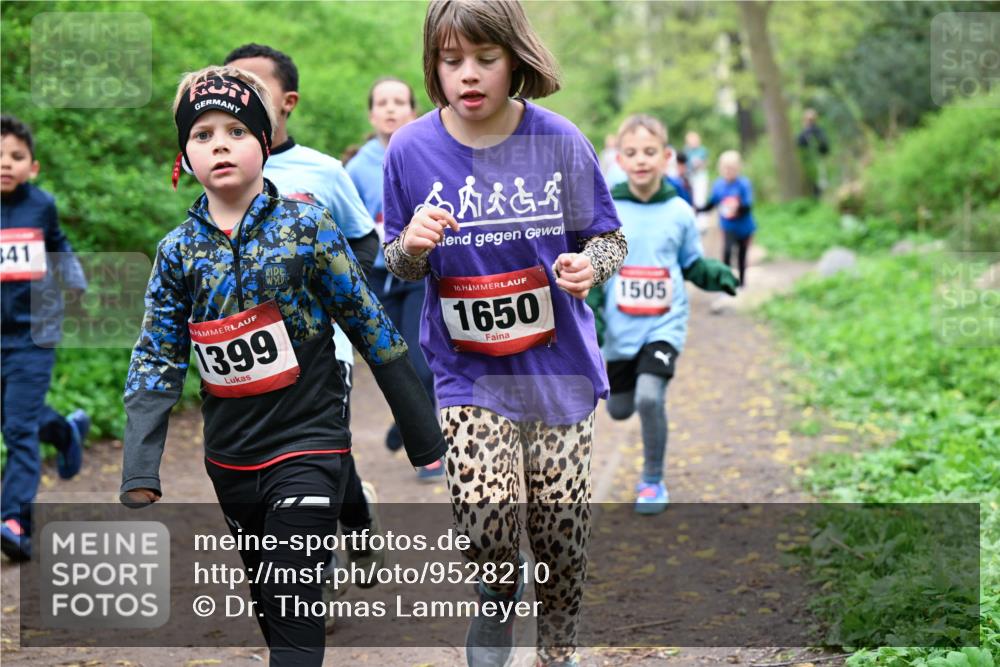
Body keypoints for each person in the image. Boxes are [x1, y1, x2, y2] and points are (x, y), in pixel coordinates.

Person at [119, 65, 445, 666]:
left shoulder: (307, 226)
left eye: (236, 130)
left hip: (310, 441)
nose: (218, 143)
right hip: (232, 455)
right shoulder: (177, 252)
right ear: (185, 155)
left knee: (295, 593)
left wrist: (425, 437)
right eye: (202, 134)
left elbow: (371, 324)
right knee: (274, 599)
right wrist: (141, 464)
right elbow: (157, 354)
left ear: (264, 144)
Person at [381, 2, 627, 665]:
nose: (469, 74)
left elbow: (610, 238)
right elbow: (395, 262)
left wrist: (588, 267)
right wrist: (411, 243)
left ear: (515, 58)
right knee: (484, 520)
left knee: (560, 535)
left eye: (486, 59)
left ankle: (557, 646)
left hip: (558, 369)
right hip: (468, 370)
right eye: (451, 59)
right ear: (433, 65)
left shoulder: (559, 140)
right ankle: (497, 593)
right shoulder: (409, 149)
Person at [222, 42, 389, 625]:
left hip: (323, 353)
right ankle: (357, 508)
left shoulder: (323, 172)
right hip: (251, 359)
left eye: (254, 91)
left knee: (312, 456)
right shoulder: (216, 170)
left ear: (287, 103)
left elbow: (365, 244)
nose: (238, 103)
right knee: (296, 462)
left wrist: (333, 298)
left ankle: (305, 595)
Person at [589, 115, 737, 514]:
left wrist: (715, 274)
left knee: (650, 397)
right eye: (632, 153)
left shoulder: (680, 211)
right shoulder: (606, 209)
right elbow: (595, 268)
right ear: (618, 158)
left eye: (650, 152)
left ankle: (652, 480)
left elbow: (691, 263)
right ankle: (632, 387)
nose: (641, 161)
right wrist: (594, 311)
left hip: (663, 323)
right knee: (620, 408)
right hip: (619, 331)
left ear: (667, 157)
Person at [345, 76, 444, 481]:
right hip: (379, 280)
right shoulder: (357, 167)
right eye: (382, 102)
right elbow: (348, 227)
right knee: (395, 365)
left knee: (421, 366)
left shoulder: (427, 153)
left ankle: (425, 444)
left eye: (398, 101)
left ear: (412, 111)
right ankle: (411, 421)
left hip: (421, 274)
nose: (390, 109)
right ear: (372, 114)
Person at [1, 114, 90, 562]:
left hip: (34, 336)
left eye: (16, 157)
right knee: (15, 418)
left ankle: (14, 519)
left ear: (32, 166)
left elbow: (58, 244)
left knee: (17, 428)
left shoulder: (42, 205)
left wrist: (75, 283)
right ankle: (66, 431)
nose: (5, 164)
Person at [698, 150, 755, 288]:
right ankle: (726, 281)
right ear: (721, 169)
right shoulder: (718, 185)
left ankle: (742, 282)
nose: (729, 171)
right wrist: (699, 209)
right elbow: (712, 203)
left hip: (744, 226)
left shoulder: (744, 184)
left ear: (738, 169)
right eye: (726, 168)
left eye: (732, 168)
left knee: (741, 254)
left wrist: (738, 207)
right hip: (728, 226)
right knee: (727, 252)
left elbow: (748, 205)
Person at [797, 108, 829, 197]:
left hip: (816, 162)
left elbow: (825, 147)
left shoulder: (817, 132)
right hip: (809, 164)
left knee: (819, 186)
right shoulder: (808, 133)